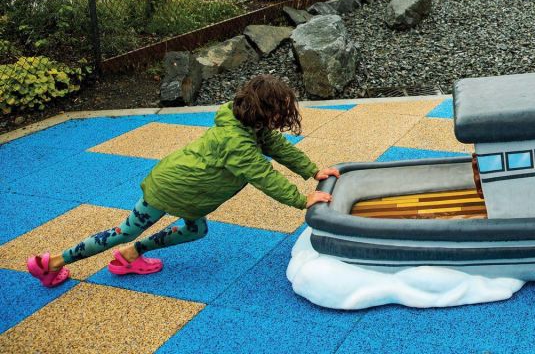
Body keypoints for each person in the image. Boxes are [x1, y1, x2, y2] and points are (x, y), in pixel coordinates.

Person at [26, 75, 339, 287]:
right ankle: (51, 263)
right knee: (124, 232)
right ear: (263, 110)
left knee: (195, 229)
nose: (283, 115)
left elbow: (277, 146)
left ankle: (130, 256)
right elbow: (263, 175)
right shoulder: (236, 141)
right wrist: (301, 199)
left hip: (190, 190)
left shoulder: (247, 123)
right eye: (280, 110)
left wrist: (312, 171)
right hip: (170, 187)